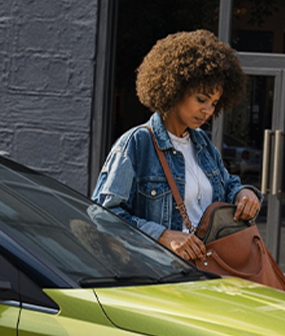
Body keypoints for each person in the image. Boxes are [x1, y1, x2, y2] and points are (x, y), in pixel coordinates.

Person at [93, 30, 261, 264]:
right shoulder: (137, 144)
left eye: (214, 103)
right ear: (174, 88)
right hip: (158, 275)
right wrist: (162, 235)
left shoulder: (202, 144)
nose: (209, 111)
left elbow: (227, 184)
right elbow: (103, 216)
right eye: (201, 100)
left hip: (205, 271)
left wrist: (244, 193)